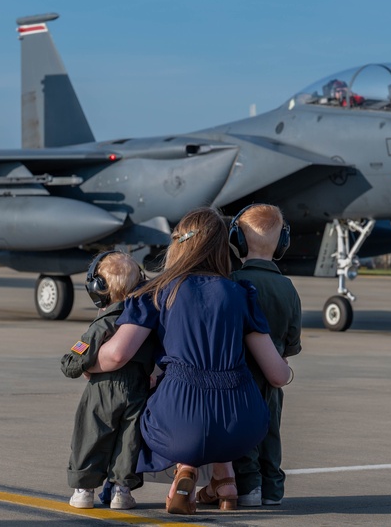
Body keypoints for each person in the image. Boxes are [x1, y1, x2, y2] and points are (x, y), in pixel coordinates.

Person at [89, 207, 292, 515]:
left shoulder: (156, 293)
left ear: (179, 243)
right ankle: (224, 482)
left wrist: (86, 363)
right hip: (242, 428)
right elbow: (277, 375)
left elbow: (118, 355)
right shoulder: (240, 293)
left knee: (139, 395)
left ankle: (182, 471)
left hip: (179, 426)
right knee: (211, 404)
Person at [61, 251, 156, 510]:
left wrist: (74, 363)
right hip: (137, 387)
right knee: (129, 440)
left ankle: (84, 489)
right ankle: (121, 492)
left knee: (91, 435)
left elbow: (75, 359)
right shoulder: (143, 321)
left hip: (103, 389)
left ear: (99, 289)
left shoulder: (103, 323)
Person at [226, 204, 301, 507]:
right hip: (273, 380)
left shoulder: (232, 282)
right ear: (282, 243)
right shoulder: (287, 287)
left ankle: (248, 485)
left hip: (238, 376)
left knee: (243, 430)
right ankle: (272, 488)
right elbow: (292, 342)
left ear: (238, 241)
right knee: (271, 433)